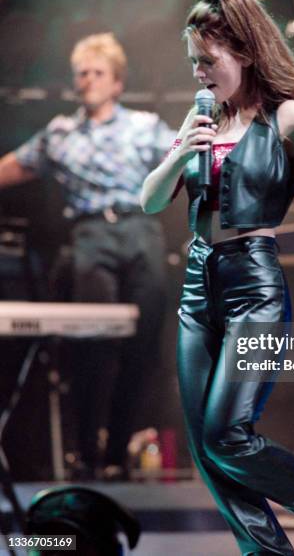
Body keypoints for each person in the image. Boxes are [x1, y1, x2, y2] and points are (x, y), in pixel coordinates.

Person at [141, 0, 294, 556]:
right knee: (204, 444)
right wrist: (178, 152)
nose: (199, 72)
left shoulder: (285, 115)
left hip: (254, 284)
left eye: (208, 61)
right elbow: (149, 200)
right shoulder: (199, 120)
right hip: (200, 285)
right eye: (193, 61)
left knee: (228, 434)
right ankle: (266, 552)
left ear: (243, 52)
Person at [0, 33, 176, 478]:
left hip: (140, 230)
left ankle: (119, 450)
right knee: (93, 344)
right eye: (81, 73)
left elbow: (192, 160)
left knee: (143, 345)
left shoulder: (145, 126)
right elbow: (15, 167)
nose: (88, 80)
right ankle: (88, 454)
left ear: (117, 82)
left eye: (98, 72)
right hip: (91, 234)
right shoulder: (59, 133)